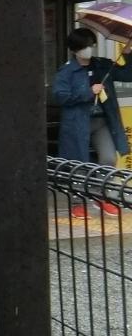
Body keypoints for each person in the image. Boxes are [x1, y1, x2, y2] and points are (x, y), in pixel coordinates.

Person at [52, 27, 132, 218]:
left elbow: (127, 75)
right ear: (74, 49)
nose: (89, 49)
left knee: (108, 158)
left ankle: (102, 196)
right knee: (78, 162)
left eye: (91, 45)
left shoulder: (102, 65)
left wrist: (128, 53)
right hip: (77, 123)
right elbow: (60, 96)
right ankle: (78, 203)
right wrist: (88, 92)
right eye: (84, 46)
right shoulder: (67, 71)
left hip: (102, 121)